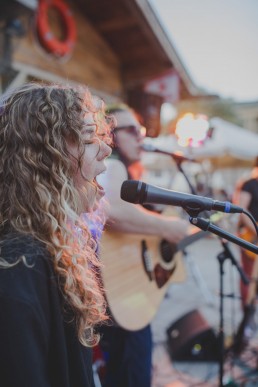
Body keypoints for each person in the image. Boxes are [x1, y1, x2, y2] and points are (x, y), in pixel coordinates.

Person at [0, 82, 112, 387]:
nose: (107, 148)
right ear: (49, 159)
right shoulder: (19, 266)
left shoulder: (52, 248)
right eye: (89, 140)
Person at [96, 104, 189, 387]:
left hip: (127, 290)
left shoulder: (129, 170)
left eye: (142, 131)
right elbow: (114, 211)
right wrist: (169, 227)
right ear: (109, 136)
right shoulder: (113, 164)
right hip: (120, 295)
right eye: (132, 130)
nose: (141, 137)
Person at [233, 156, 258, 308]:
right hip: (251, 236)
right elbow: (242, 211)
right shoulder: (249, 184)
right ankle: (247, 311)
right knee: (248, 275)